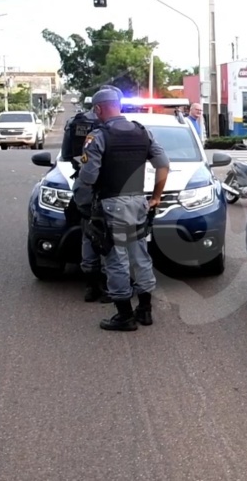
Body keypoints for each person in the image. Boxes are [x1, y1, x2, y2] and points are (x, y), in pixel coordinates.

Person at [73, 87, 171, 331]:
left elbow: (89, 176)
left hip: (111, 204)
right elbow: (163, 164)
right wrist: (156, 197)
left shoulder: (98, 136)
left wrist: (83, 197)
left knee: (116, 259)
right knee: (140, 255)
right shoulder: (142, 132)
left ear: (97, 109)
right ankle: (145, 310)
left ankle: (125, 315)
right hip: (138, 202)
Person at [63, 86, 123, 304]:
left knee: (89, 233)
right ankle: (109, 287)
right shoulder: (120, 126)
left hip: (86, 190)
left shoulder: (78, 122)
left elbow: (70, 156)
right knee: (110, 240)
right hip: (110, 191)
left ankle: (91, 286)